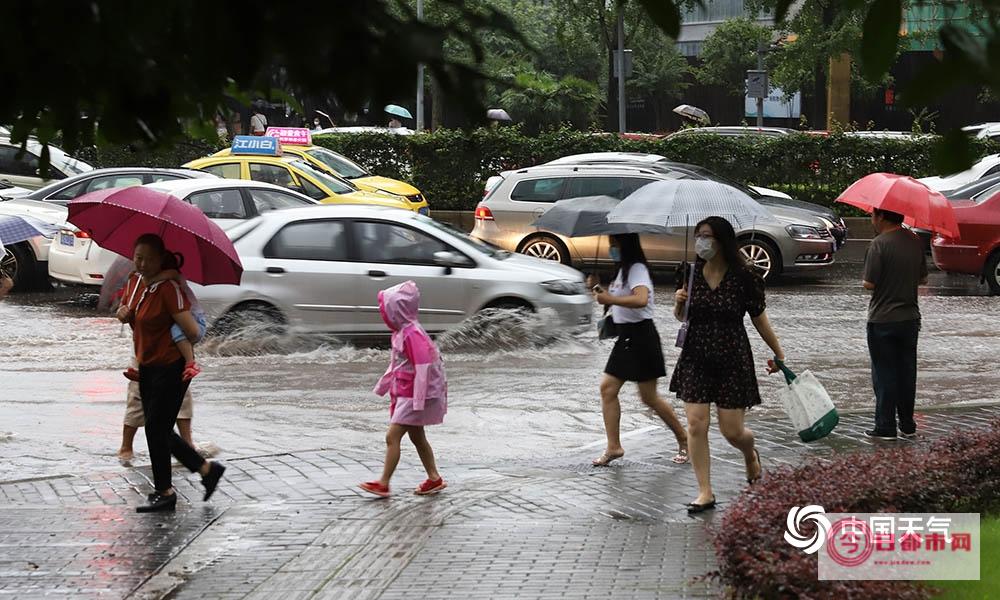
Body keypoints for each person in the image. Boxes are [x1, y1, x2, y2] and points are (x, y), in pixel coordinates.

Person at [669, 217, 785, 514]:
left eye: (706, 236)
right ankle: (705, 491)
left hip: (732, 357)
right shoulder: (690, 273)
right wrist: (679, 302)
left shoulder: (744, 277)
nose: (701, 242)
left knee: (732, 432)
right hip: (695, 355)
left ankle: (750, 455)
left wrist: (778, 353)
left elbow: (759, 318)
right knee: (696, 424)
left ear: (722, 240)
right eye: (698, 236)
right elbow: (682, 319)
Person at [116, 234, 225, 512]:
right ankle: (205, 470)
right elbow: (139, 325)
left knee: (156, 428)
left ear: (160, 260)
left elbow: (191, 331)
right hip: (147, 367)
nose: (142, 263)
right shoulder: (137, 284)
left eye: (148, 259)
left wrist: (174, 328)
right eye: (138, 257)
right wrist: (125, 314)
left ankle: (165, 492)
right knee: (159, 430)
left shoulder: (168, 288)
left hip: (170, 367)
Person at [590, 233, 689, 467]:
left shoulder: (636, 269)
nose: (610, 249)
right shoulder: (623, 270)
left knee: (649, 397)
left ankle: (684, 438)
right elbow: (613, 298)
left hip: (641, 337)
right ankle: (614, 447)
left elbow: (641, 299)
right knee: (608, 389)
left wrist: (610, 299)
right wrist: (596, 288)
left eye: (614, 245)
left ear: (625, 245)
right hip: (626, 337)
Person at [359, 280, 448, 498]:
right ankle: (434, 478)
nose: (383, 314)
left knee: (392, 437)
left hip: (414, 396)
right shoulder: (401, 333)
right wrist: (383, 385)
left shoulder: (412, 334)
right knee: (417, 437)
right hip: (405, 392)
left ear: (396, 311)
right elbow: (397, 364)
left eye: (386, 309)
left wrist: (418, 401)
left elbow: (423, 367)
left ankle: (383, 483)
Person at [862, 208, 927, 441]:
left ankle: (885, 426)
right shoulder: (915, 241)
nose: (872, 220)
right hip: (910, 318)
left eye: (873, 216)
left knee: (884, 373)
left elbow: (869, 283)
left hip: (882, 319)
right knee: (907, 372)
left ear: (880, 217)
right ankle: (908, 424)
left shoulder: (878, 244)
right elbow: (923, 278)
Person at [121, 252, 205, 383]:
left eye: (151, 262)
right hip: (156, 360)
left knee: (176, 331)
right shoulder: (138, 281)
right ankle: (136, 366)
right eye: (139, 259)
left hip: (195, 319)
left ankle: (191, 363)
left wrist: (148, 278)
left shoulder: (172, 279)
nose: (145, 266)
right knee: (141, 332)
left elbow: (169, 274)